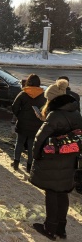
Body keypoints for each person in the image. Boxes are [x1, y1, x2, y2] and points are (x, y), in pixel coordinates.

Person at [30, 79, 82, 240]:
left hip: (53, 160)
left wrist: (36, 155)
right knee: (63, 192)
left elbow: (39, 139)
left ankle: (49, 228)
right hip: (70, 158)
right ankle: (61, 228)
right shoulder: (75, 112)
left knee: (52, 193)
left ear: (52, 99)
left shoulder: (54, 115)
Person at [11, 74, 45, 173]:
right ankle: (29, 167)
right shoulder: (43, 95)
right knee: (31, 145)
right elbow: (45, 109)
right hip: (36, 124)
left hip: (22, 123)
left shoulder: (23, 93)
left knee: (19, 143)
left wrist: (19, 116)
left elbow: (14, 107)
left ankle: (16, 163)